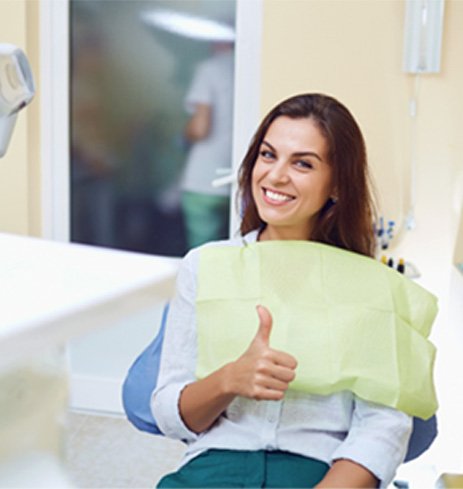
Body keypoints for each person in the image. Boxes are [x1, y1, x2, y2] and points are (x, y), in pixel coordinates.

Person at [151, 94, 419, 488]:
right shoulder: (204, 266)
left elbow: (383, 428)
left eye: (303, 164)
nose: (275, 176)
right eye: (267, 155)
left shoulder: (373, 287)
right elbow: (170, 414)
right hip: (213, 469)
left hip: (318, 472)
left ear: (338, 184)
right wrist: (230, 379)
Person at [180, 42, 234, 248]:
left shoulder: (210, 69)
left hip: (204, 181)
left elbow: (200, 128)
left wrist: (183, 134)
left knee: (201, 260)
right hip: (238, 177)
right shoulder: (250, 67)